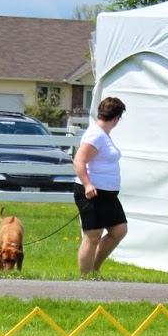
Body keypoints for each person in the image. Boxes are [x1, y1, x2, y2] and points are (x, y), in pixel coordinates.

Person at [74, 96, 129, 276]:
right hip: (93, 192)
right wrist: (87, 184)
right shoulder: (95, 135)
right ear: (117, 118)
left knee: (119, 230)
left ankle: (94, 269)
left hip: (108, 194)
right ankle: (85, 277)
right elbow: (79, 161)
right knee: (93, 236)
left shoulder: (103, 135)